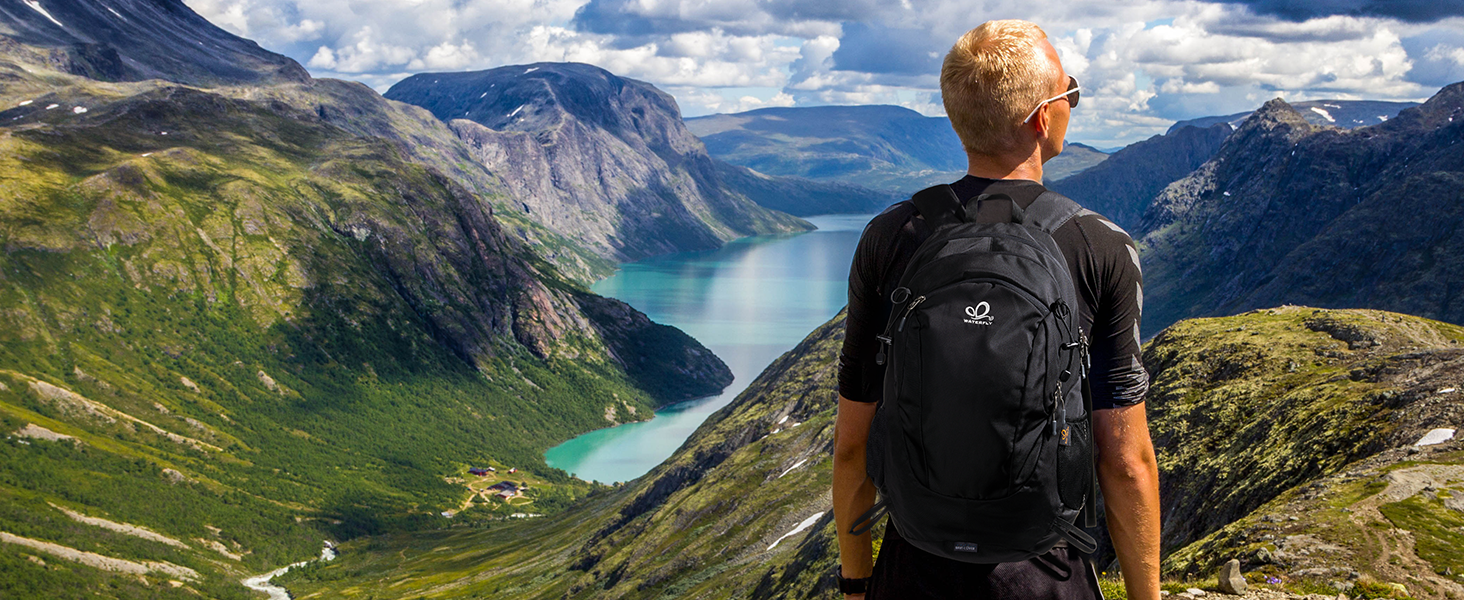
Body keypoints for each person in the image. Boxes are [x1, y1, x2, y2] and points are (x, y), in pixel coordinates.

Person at [831, 19, 1161, 600]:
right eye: (1070, 94)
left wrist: (857, 583)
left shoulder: (890, 237)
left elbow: (853, 445)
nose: (1072, 106)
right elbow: (1126, 462)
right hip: (1046, 573)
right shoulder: (1100, 246)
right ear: (1043, 118)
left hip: (913, 567)